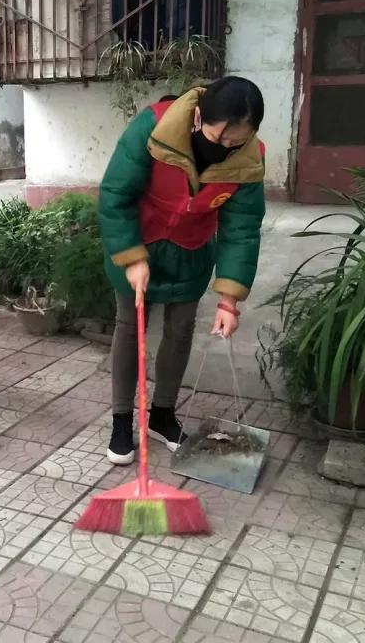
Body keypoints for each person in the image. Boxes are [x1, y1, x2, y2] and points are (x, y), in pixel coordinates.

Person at [98, 76, 266, 465]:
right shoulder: (152, 127)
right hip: (137, 240)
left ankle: (161, 415)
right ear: (197, 116)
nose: (225, 148)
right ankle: (122, 420)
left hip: (191, 251)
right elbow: (115, 193)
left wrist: (229, 301)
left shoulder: (248, 160)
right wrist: (132, 256)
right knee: (130, 327)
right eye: (218, 137)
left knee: (180, 330)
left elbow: (242, 228)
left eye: (235, 141)